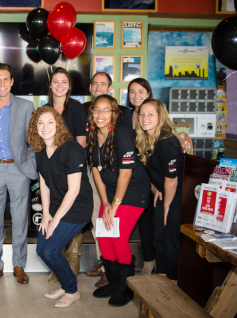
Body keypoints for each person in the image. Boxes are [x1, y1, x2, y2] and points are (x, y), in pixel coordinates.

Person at [87, 95, 150, 307]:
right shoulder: (94, 135)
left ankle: (126, 287)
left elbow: (126, 174)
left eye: (106, 110)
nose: (100, 115)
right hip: (112, 191)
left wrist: (114, 205)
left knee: (118, 237)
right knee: (103, 236)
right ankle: (114, 282)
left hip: (132, 191)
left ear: (114, 114)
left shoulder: (122, 134)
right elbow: (95, 171)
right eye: (97, 110)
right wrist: (105, 203)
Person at [27, 106, 93, 308]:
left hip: (77, 206)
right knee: (41, 250)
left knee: (51, 251)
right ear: (34, 127)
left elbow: (73, 191)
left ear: (58, 124)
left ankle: (72, 291)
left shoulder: (71, 149)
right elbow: (44, 183)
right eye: (40, 123)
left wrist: (55, 219)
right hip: (55, 205)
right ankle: (66, 285)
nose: (45, 127)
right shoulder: (39, 150)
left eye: (50, 122)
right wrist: (46, 213)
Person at [0, 63, 37, 284]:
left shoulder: (25, 106)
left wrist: (29, 165)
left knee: (20, 219)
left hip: (18, 169)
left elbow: (33, 140)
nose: (2, 83)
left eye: (6, 79)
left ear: (12, 82)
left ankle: (19, 265)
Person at [81, 72, 132, 288]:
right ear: (90, 87)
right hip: (92, 172)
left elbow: (128, 158)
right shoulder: (81, 109)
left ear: (110, 88)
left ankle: (111, 273)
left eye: (103, 83)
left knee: (111, 224)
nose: (99, 86)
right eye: (95, 83)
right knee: (97, 220)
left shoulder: (123, 115)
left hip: (117, 177)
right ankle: (107, 265)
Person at [42, 67, 87, 284]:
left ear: (69, 86)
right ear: (50, 85)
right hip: (53, 173)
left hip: (71, 170)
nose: (59, 85)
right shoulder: (45, 109)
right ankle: (59, 266)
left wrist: (71, 166)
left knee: (71, 220)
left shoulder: (76, 109)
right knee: (57, 217)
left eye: (64, 82)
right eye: (55, 81)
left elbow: (80, 143)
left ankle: (73, 264)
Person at [135, 99, 183, 281]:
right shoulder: (147, 139)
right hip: (164, 195)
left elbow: (172, 180)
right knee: (160, 241)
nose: (144, 118)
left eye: (150, 114)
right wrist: (156, 187)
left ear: (160, 116)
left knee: (170, 244)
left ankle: (174, 283)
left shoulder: (167, 141)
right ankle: (163, 278)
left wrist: (167, 206)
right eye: (142, 114)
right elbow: (158, 172)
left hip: (175, 198)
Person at [126, 77, 156, 276]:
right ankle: (125, 261)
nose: (136, 95)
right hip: (128, 175)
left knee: (146, 222)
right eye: (132, 92)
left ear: (148, 94)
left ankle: (150, 261)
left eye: (140, 91)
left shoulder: (152, 114)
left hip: (150, 175)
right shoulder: (124, 114)